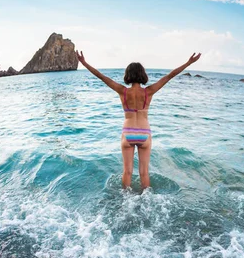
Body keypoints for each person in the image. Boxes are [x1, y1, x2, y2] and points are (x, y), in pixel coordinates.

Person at [76, 51, 202, 189]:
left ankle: (125, 202)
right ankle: (146, 200)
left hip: (128, 133)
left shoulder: (122, 91)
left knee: (127, 172)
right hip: (144, 132)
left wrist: (84, 63)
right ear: (143, 74)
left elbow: (101, 76)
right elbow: (169, 76)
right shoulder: (149, 92)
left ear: (127, 75)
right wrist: (189, 63)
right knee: (144, 173)